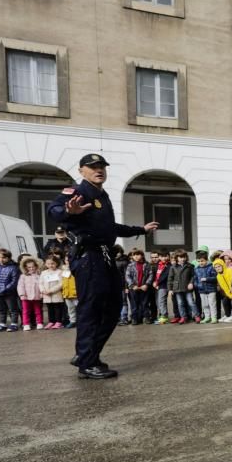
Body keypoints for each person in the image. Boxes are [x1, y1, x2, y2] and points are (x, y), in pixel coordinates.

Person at [47, 153, 158, 377]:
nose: (99, 170)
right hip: (88, 257)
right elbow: (54, 210)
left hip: (105, 256)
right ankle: (86, 363)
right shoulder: (77, 192)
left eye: (102, 167)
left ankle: (88, 354)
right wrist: (69, 211)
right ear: (81, 171)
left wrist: (140, 230)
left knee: (114, 306)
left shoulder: (102, 195)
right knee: (91, 308)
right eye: (93, 167)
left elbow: (110, 227)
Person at [0, 248, 20, 331]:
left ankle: (14, 324)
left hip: (9, 293)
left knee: (12, 309)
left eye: (4, 257)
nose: (1, 259)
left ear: (9, 258)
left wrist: (5, 289)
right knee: (1, 310)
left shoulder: (13, 268)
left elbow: (14, 281)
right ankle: (2, 324)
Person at [123, 248, 152, 326]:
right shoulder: (130, 265)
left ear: (142, 255)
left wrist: (146, 284)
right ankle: (135, 318)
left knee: (145, 303)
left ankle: (146, 317)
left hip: (144, 288)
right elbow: (127, 276)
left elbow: (150, 275)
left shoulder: (147, 264)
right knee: (134, 304)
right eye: (134, 255)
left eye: (138, 254)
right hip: (134, 288)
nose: (136, 256)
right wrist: (132, 285)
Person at [169, 250, 198, 324]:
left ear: (186, 257)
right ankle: (183, 317)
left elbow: (193, 276)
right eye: (180, 257)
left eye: (184, 257)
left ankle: (196, 316)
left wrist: (191, 283)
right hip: (177, 289)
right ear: (177, 258)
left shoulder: (190, 266)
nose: (182, 259)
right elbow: (170, 279)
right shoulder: (173, 267)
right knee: (180, 303)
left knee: (191, 302)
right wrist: (170, 289)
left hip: (187, 288)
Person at [17, 256, 44, 330]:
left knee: (38, 310)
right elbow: (20, 286)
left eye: (33, 267)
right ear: (25, 268)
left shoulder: (39, 276)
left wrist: (42, 293)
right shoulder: (23, 276)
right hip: (26, 297)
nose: (31, 268)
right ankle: (26, 324)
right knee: (25, 311)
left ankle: (39, 322)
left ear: (36, 266)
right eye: (29, 267)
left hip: (37, 296)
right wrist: (22, 294)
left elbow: (41, 284)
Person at [40, 254, 66, 329]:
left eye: (52, 263)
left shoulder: (59, 272)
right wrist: (43, 290)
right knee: (50, 309)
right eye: (48, 263)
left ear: (56, 263)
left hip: (56, 294)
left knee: (57, 308)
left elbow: (61, 283)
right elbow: (40, 283)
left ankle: (58, 322)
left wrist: (51, 290)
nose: (50, 265)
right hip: (46, 295)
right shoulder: (44, 273)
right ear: (45, 264)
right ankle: (51, 321)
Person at [193, 250, 217, 323]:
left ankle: (214, 317)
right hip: (201, 290)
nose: (201, 263)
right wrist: (197, 285)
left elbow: (215, 278)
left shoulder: (211, 267)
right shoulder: (196, 269)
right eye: (199, 261)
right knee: (205, 305)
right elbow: (195, 279)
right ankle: (207, 317)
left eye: (202, 261)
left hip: (211, 289)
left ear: (206, 260)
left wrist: (207, 279)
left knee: (212, 304)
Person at [214, 257, 232, 323]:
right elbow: (223, 286)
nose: (218, 268)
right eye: (216, 267)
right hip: (228, 292)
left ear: (223, 265)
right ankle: (227, 315)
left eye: (219, 266)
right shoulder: (218, 276)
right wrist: (228, 293)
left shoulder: (229, 271)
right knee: (225, 301)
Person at [152, 249, 171, 324]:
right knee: (158, 302)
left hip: (163, 286)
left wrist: (157, 283)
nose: (164, 258)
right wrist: (154, 282)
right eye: (162, 256)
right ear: (159, 257)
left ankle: (164, 316)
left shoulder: (169, 266)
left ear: (168, 256)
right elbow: (155, 275)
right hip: (157, 286)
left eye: (166, 256)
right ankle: (161, 316)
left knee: (162, 301)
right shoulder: (157, 265)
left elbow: (164, 276)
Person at [61, 255, 78, 328]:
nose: (68, 261)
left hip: (76, 293)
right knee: (70, 309)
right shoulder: (63, 270)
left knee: (79, 308)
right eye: (67, 260)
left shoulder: (76, 268)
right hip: (67, 294)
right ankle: (73, 321)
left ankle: (81, 321)